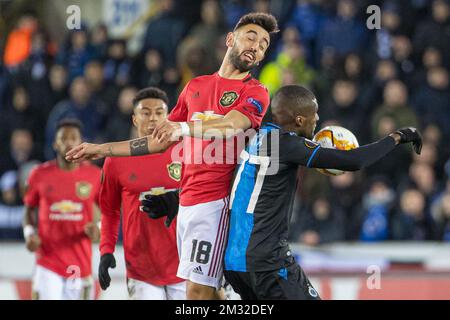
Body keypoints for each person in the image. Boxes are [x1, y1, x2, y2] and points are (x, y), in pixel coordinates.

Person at [65, 13, 279, 300]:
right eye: (251, 37)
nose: (257, 46)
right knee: (206, 294)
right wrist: (101, 149)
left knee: (197, 294)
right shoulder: (195, 87)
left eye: (264, 44)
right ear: (230, 39)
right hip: (188, 204)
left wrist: (182, 126)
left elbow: (230, 125)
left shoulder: (256, 91)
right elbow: (159, 142)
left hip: (218, 203)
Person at [221, 85, 421, 299]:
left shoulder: (256, 137)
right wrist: (397, 137)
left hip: (235, 263)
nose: (317, 118)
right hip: (267, 263)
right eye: (313, 113)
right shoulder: (287, 144)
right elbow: (353, 160)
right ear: (299, 120)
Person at [98, 87, 185, 299]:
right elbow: (109, 211)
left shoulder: (186, 151)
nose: (153, 119)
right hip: (141, 268)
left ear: (168, 117)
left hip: (185, 265)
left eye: (159, 113)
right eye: (145, 113)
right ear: (135, 119)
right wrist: (106, 251)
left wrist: (178, 199)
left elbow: (204, 194)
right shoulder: (116, 160)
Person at [23, 119, 101, 300]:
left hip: (80, 265)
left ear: (81, 143)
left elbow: (104, 210)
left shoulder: (95, 175)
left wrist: (98, 229)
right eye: (63, 138)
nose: (68, 142)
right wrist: (29, 234)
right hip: (48, 262)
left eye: (73, 138)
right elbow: (28, 210)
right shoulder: (39, 174)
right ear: (55, 144)